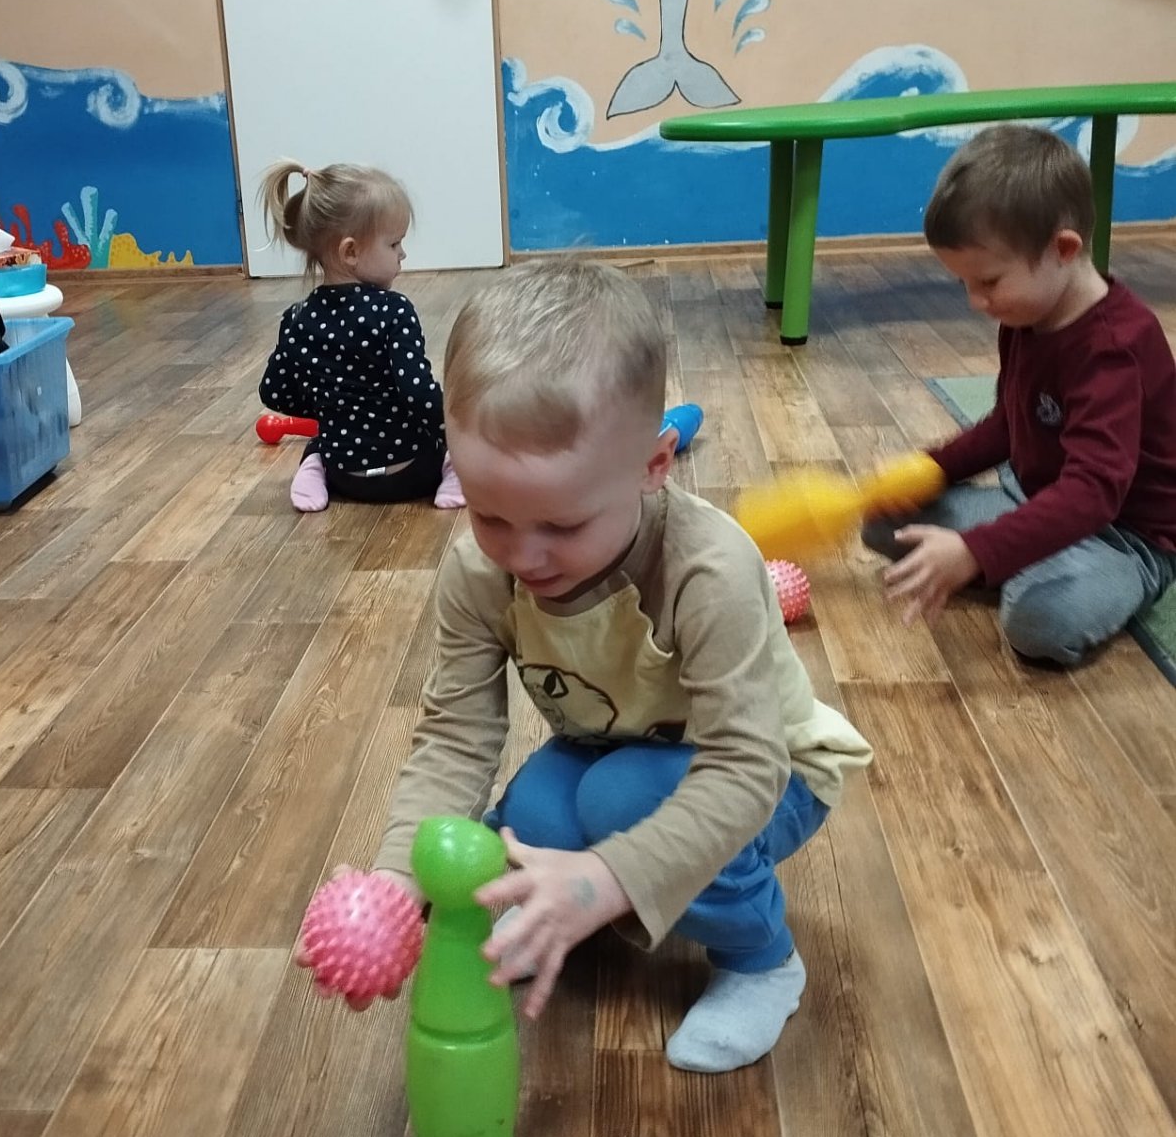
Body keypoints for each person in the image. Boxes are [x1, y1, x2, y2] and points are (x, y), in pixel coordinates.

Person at [325, 257, 873, 1073]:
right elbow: (454, 738)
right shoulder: (479, 574)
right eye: (490, 515)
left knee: (621, 801)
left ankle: (762, 960)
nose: (523, 556)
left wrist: (609, 879)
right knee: (529, 823)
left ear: (654, 465)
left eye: (562, 524)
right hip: (613, 749)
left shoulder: (710, 569)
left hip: (774, 771)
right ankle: (578, 902)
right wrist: (399, 883)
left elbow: (746, 767)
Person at [864, 125, 1176, 665]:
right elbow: (1009, 424)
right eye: (964, 284)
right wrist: (931, 468)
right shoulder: (1027, 316)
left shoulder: (1113, 349)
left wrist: (978, 550)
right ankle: (1024, 553)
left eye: (988, 282)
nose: (975, 302)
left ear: (1063, 249)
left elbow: (1094, 492)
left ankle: (1033, 563)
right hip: (1032, 496)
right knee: (885, 522)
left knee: (1039, 622)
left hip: (1124, 534)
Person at [257, 160, 464, 513]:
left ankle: (314, 468)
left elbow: (274, 392)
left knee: (321, 443)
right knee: (446, 444)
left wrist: (332, 407)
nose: (402, 254)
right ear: (350, 251)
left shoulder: (297, 318)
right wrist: (459, 431)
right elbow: (417, 392)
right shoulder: (394, 309)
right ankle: (453, 474)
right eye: (394, 244)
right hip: (413, 472)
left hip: (345, 476)